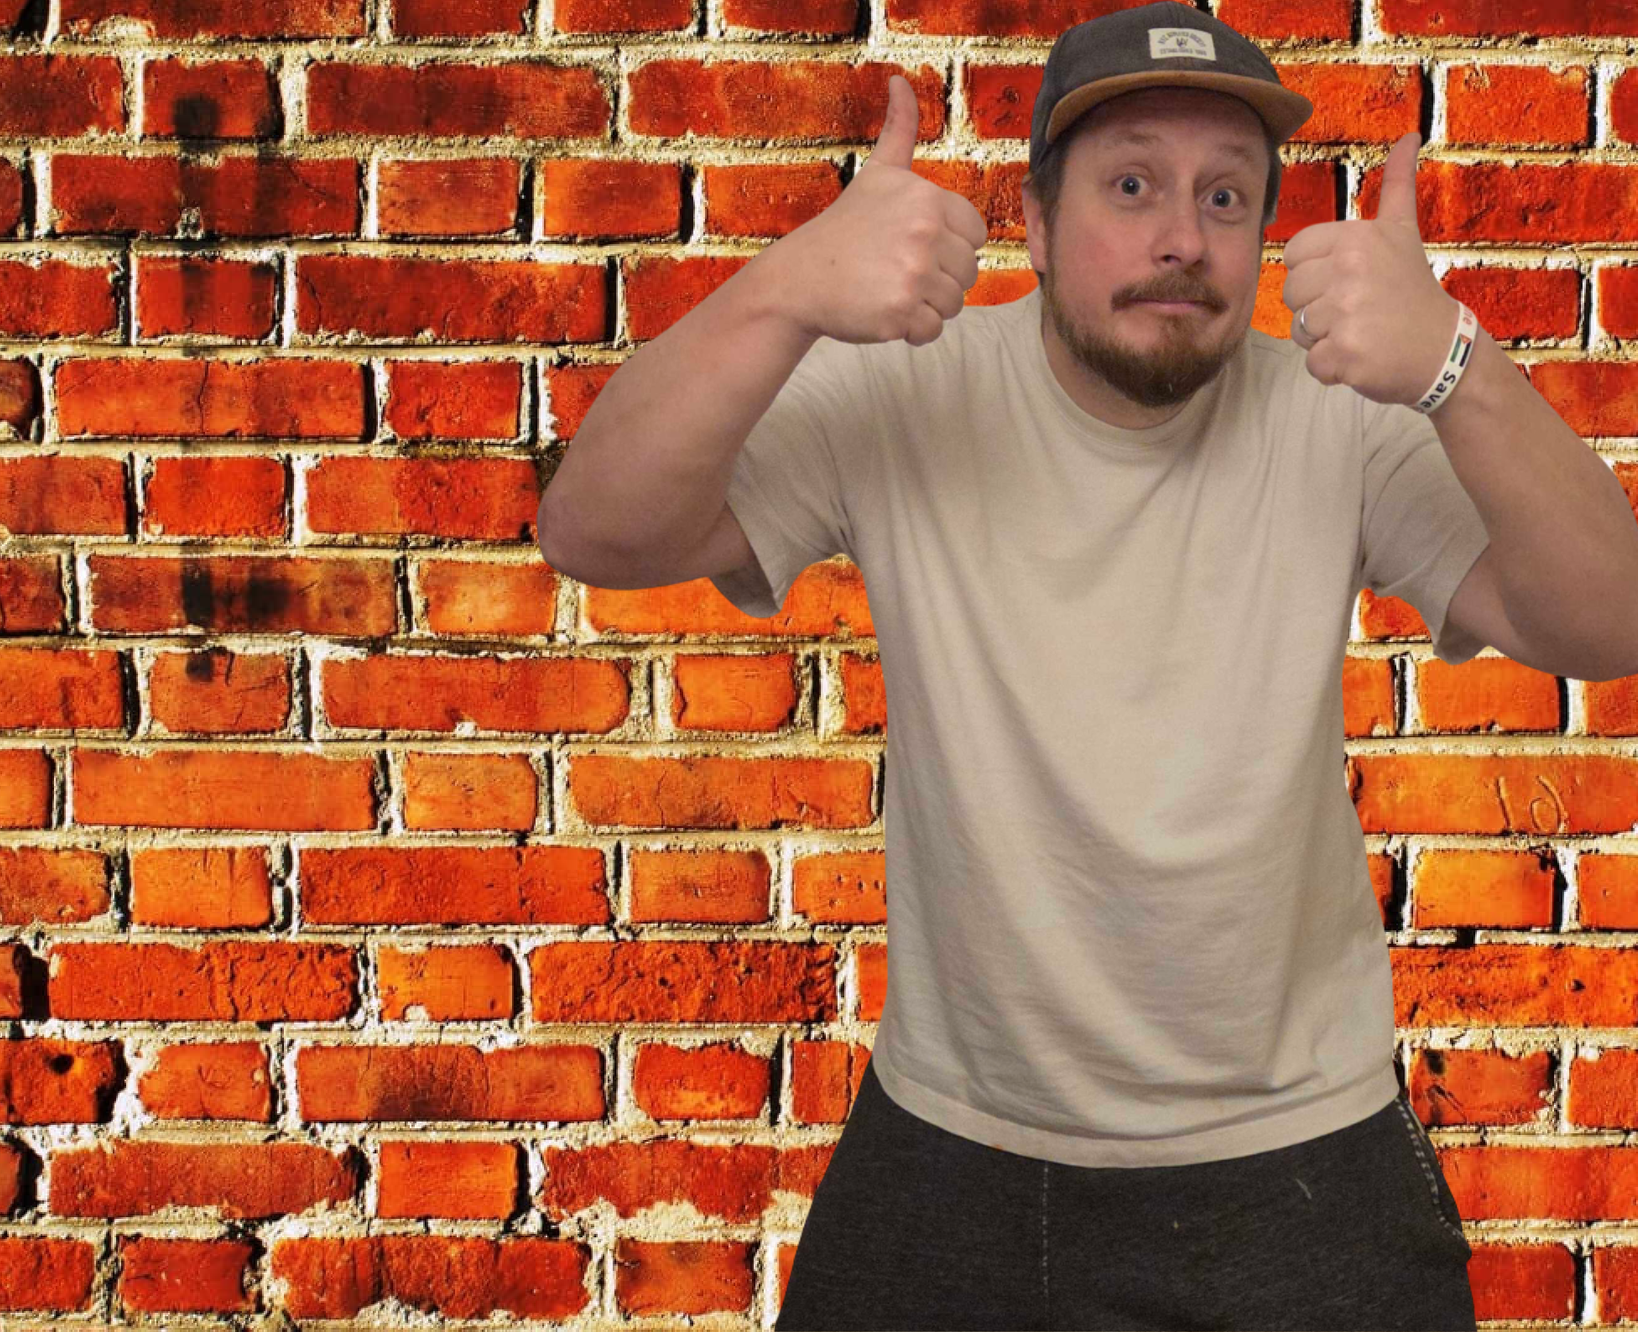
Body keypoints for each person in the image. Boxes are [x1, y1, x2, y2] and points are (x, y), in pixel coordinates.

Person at [542, 5, 1493, 1326]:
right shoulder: (907, 391)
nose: (1180, 234)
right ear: (1035, 226)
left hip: (1303, 1163)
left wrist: (1455, 363)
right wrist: (783, 291)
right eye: (1130, 184)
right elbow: (595, 529)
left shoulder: (1336, 413)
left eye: (1225, 194)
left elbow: (1610, 623)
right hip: (954, 1146)